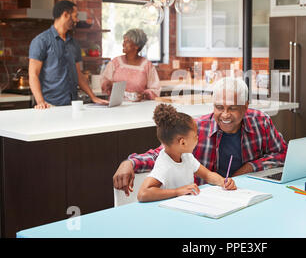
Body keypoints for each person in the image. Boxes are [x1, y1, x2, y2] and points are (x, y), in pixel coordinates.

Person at [113, 77, 287, 196]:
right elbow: (163, 153)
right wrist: (130, 162)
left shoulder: (260, 122)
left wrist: (249, 167)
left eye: (232, 108)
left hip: (245, 194)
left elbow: (282, 154)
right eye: (219, 107)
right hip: (205, 200)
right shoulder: (197, 129)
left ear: (245, 106)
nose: (225, 115)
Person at [137, 104, 236, 202]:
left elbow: (207, 175)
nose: (198, 138)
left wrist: (222, 181)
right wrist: (177, 191)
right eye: (195, 135)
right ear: (182, 142)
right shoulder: (164, 164)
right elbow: (143, 194)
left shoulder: (186, 156)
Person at [29, 0, 108, 108]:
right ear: (65, 15)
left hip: (72, 104)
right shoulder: (41, 41)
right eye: (75, 16)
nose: (77, 19)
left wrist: (93, 97)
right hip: (49, 105)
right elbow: (33, 74)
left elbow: (78, 74)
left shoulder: (74, 43)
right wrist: (40, 102)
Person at [100, 28, 161, 102]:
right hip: (116, 107)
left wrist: (144, 95)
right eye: (124, 41)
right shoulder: (115, 63)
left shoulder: (147, 66)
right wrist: (108, 84)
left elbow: (155, 89)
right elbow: (104, 84)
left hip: (139, 108)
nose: (123, 44)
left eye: (127, 41)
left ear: (136, 46)